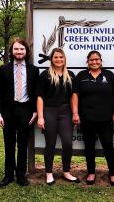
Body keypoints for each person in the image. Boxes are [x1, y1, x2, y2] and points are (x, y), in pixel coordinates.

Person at [72, 50, 114, 186]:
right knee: (89, 147)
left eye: (97, 59)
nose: (94, 62)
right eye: (91, 60)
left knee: (108, 146)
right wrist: (75, 113)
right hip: (87, 119)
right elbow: (75, 95)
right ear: (87, 62)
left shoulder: (109, 75)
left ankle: (112, 173)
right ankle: (91, 172)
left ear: (101, 61)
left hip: (106, 119)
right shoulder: (81, 76)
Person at [0, 38, 39, 187]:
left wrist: (35, 112)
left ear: (27, 52)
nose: (19, 51)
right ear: (11, 51)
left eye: (22, 49)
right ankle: (8, 175)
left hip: (26, 110)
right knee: (9, 144)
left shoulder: (34, 70)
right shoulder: (3, 69)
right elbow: (0, 93)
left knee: (23, 145)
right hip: (8, 111)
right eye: (16, 49)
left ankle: (21, 175)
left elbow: (35, 92)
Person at [37, 48, 80, 185]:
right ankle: (49, 173)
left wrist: (75, 113)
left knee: (67, 143)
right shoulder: (45, 75)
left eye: (61, 57)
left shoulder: (71, 75)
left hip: (65, 112)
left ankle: (66, 172)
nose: (58, 59)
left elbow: (74, 96)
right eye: (56, 57)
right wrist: (40, 117)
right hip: (49, 111)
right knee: (50, 143)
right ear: (51, 59)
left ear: (64, 58)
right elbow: (40, 97)